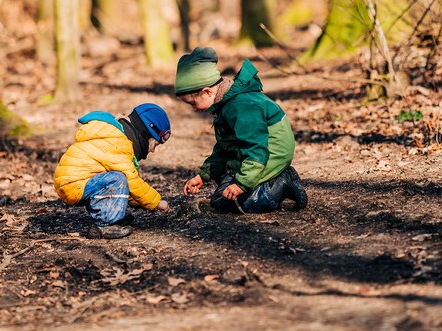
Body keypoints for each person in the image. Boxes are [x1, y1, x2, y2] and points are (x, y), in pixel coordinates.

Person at [174, 46, 307, 213]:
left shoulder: (242, 107)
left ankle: (284, 180)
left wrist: (241, 184)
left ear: (207, 92)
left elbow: (256, 148)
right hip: (253, 153)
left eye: (192, 103)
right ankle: (266, 181)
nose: (193, 109)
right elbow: (225, 148)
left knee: (251, 204)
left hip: (270, 152)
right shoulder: (225, 105)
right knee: (220, 202)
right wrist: (203, 175)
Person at [54, 103, 172, 239]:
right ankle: (103, 224)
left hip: (73, 181)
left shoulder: (116, 136)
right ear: (144, 134)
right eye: (154, 145)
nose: (152, 151)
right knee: (118, 178)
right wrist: (157, 202)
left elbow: (128, 188)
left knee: (116, 178)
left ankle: (112, 211)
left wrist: (141, 202)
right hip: (74, 184)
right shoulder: (119, 144)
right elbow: (131, 181)